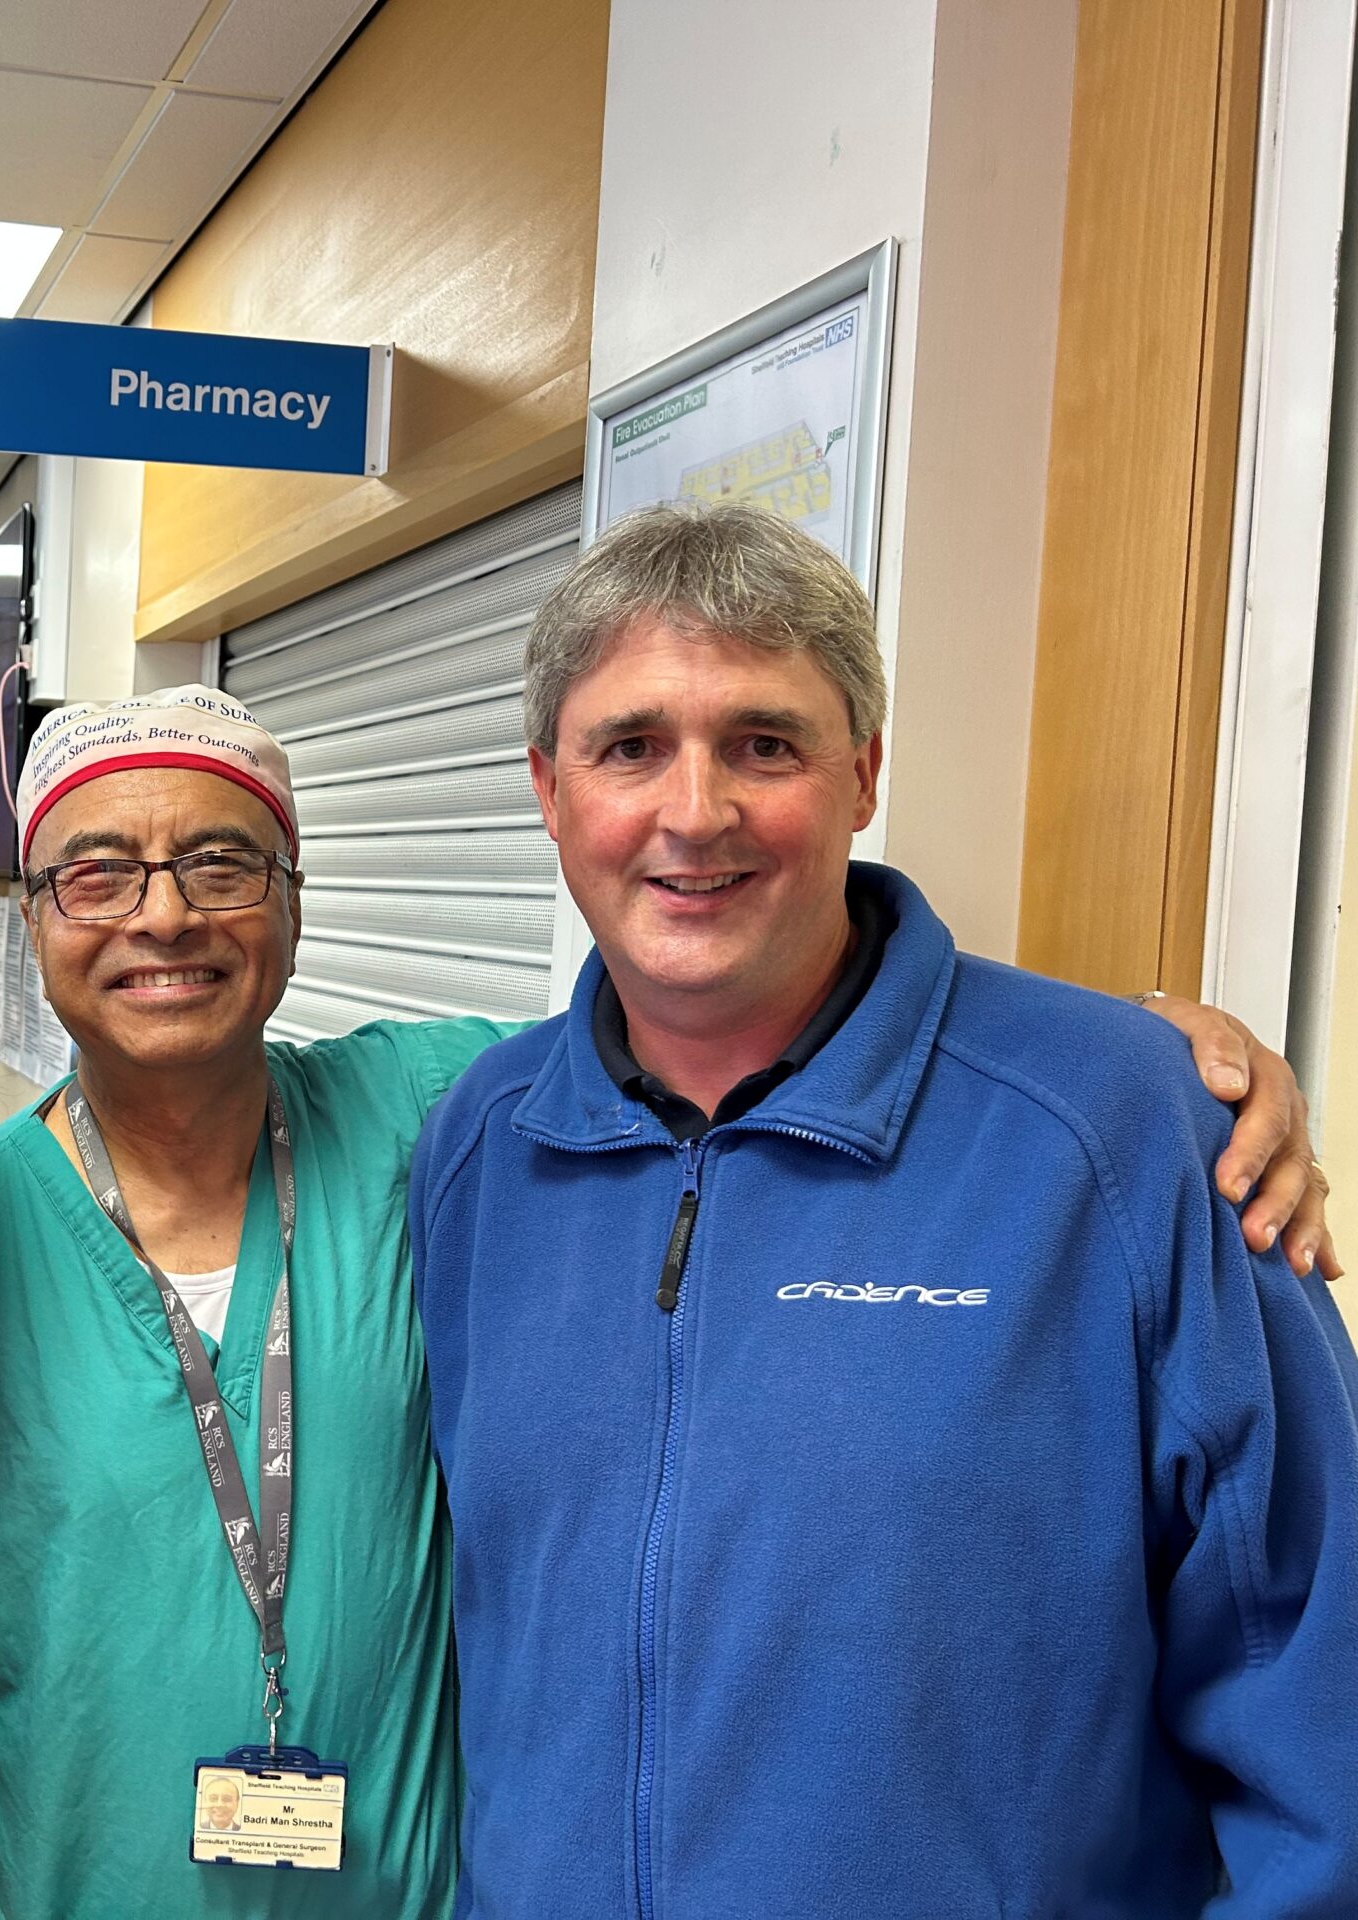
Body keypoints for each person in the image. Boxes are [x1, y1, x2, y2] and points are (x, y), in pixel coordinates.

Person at [0, 686, 1335, 1920]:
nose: (164, 919)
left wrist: (1154, 1062)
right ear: (38, 914)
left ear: (293, 903)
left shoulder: (441, 1116)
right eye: (99, 875)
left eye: (224, 866)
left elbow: (722, 1014)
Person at [411, 502, 1358, 1914]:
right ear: (550, 789)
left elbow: (1314, 1682)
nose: (695, 812)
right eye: (631, 747)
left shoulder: (1127, 1134)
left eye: (764, 743)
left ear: (862, 772)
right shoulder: (480, 1146)